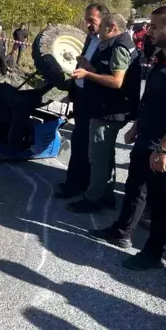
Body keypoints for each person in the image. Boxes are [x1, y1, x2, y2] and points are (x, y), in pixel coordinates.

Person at [92, 5, 166, 271]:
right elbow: (151, 97)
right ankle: (121, 232)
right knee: (136, 188)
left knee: (161, 201)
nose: (149, 31)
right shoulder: (162, 57)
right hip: (148, 137)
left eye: (156, 27)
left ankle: (153, 253)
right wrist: (137, 126)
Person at [66, 13, 141, 213]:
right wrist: (91, 66)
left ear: (112, 27)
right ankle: (107, 195)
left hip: (108, 110)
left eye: (102, 27)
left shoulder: (119, 47)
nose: (98, 31)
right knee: (106, 154)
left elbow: (117, 81)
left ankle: (93, 199)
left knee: (98, 157)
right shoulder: (119, 43)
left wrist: (87, 74)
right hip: (108, 108)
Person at [56, 3, 110, 199]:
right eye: (87, 20)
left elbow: (109, 76)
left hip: (92, 100)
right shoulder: (91, 38)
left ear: (103, 20)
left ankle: (75, 186)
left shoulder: (108, 42)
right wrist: (73, 90)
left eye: (92, 21)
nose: (88, 24)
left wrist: (89, 69)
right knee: (80, 142)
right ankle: (76, 182)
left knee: (82, 143)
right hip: (81, 96)